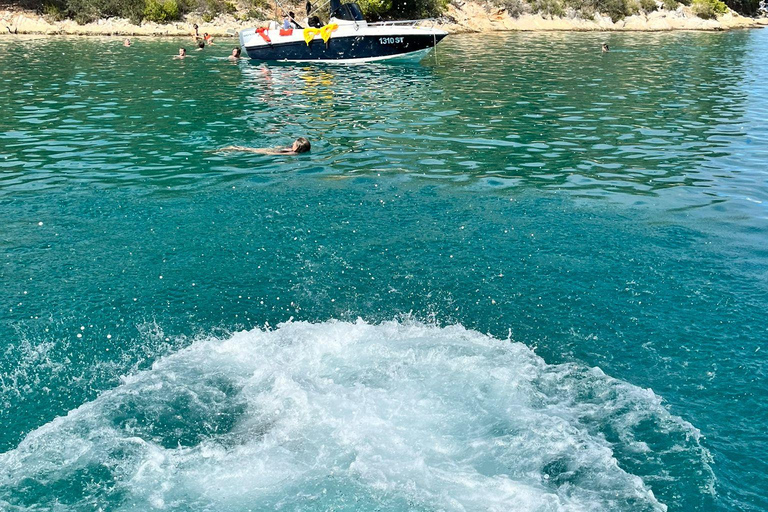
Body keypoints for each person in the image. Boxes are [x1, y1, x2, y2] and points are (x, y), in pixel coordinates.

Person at [216, 138, 311, 155]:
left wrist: (268, 153)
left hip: (270, 152)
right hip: (273, 150)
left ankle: (229, 149)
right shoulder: (293, 151)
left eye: (294, 143)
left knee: (246, 150)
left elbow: (277, 154)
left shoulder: (292, 153)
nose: (293, 142)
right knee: (244, 149)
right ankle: (230, 149)